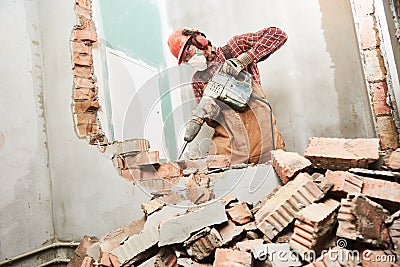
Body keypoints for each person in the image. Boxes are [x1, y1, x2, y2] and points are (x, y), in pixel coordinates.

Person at [168, 27, 287, 164]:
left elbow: (278, 35)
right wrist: (211, 116)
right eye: (185, 60)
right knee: (220, 174)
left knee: (277, 170)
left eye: (188, 53)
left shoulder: (234, 48)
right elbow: (213, 123)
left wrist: (245, 59)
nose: (190, 60)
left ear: (199, 41)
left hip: (261, 132)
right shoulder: (198, 80)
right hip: (231, 141)